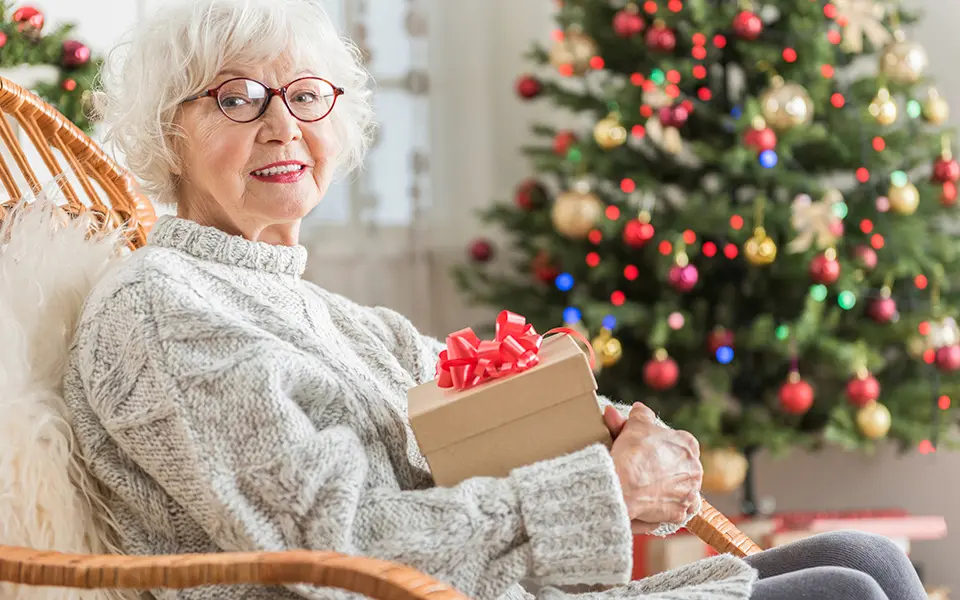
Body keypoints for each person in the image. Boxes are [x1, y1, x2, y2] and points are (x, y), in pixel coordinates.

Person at [62, 1, 928, 599]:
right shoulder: (160, 306)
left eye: (305, 95)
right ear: (165, 134)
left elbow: (495, 428)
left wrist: (608, 431)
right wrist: (604, 491)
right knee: (845, 590)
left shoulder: (346, 321)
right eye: (237, 97)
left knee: (865, 558)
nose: (282, 125)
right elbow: (336, 551)